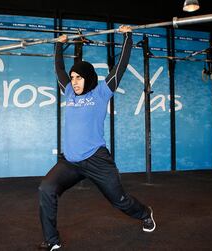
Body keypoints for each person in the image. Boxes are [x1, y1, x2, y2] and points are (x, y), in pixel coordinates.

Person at [38, 25, 156, 250]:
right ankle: (52, 241)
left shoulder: (102, 91)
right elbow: (59, 70)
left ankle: (145, 213)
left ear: (89, 78)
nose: (74, 81)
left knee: (119, 200)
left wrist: (128, 37)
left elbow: (120, 66)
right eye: (73, 78)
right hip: (70, 161)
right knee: (46, 188)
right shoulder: (69, 92)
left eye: (79, 77)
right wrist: (59, 45)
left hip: (96, 159)